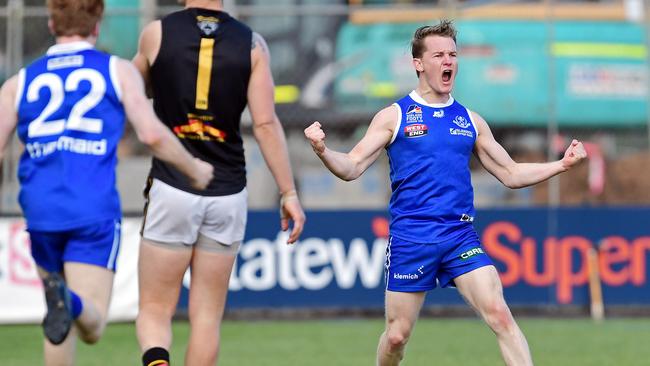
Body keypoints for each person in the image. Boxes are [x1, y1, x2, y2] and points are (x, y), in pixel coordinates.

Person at [305, 20, 587, 366]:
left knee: (500, 314)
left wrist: (561, 164)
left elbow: (511, 173)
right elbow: (351, 167)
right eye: (438, 54)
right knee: (396, 337)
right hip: (412, 237)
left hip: (459, 237)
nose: (448, 61)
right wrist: (322, 150)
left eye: (453, 54)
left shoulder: (469, 120)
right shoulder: (394, 116)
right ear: (418, 64)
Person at [0, 0, 214, 365]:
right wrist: (195, 168)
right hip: (90, 208)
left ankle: (62, 300)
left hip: (39, 209)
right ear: (97, 24)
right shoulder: (116, 71)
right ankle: (68, 300)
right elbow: (151, 134)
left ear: (51, 23)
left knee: (57, 320)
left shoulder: (18, 82)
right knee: (92, 323)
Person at [132, 0, 306, 365]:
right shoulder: (252, 42)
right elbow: (265, 124)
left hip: (173, 184)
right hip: (227, 191)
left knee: (154, 309)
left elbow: (134, 91)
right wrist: (288, 192)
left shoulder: (157, 33)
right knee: (207, 318)